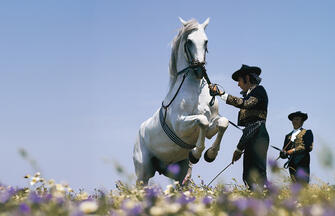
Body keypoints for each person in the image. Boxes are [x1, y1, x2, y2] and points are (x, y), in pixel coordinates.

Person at [210, 64, 269, 190]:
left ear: (247, 78)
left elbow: (246, 104)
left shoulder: (259, 91)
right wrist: (239, 148)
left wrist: (222, 94)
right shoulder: (249, 94)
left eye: (239, 81)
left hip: (258, 134)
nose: (238, 84)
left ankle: (265, 200)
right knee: (248, 174)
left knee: (258, 173)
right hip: (251, 134)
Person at [279, 111, 313, 184]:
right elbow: (285, 150)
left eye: (297, 119)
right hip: (292, 164)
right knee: (295, 185)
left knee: (303, 185)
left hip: (303, 162)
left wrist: (293, 150)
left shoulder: (307, 132)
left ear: (302, 121)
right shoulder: (288, 136)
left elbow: (309, 147)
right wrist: (283, 154)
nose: (295, 121)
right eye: (293, 119)